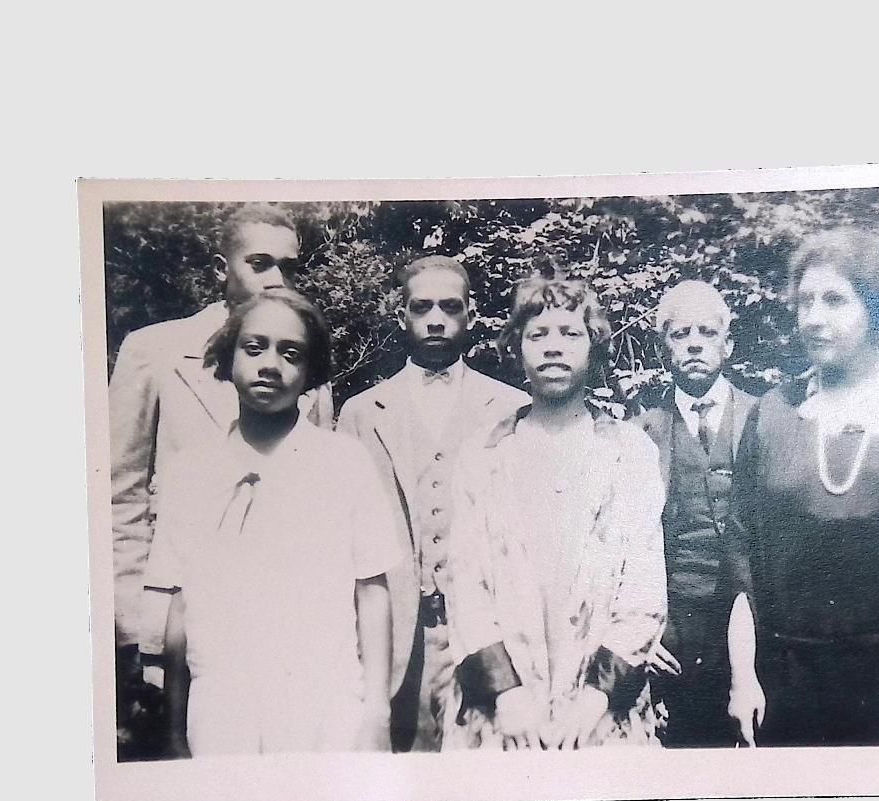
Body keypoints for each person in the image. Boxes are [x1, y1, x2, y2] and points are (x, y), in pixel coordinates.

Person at [109, 204, 334, 753]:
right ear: (221, 267)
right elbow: (119, 494)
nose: (276, 279)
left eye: (288, 266)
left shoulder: (307, 375)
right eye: (259, 263)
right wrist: (134, 626)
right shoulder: (154, 351)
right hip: (176, 617)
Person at [726, 227, 879, 746]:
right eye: (805, 301)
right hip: (795, 684)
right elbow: (742, 565)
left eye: (834, 300)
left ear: (874, 306)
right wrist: (743, 678)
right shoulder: (773, 416)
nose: (813, 317)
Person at [146, 290, 398, 756]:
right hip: (221, 709)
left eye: (291, 353)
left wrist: (376, 712)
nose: (270, 365)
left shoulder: (343, 462)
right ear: (229, 357)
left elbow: (372, 591)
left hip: (325, 705)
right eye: (254, 347)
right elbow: (179, 605)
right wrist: (175, 729)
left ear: (309, 372)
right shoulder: (191, 471)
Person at [443, 271, 667, 750]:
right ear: (517, 346)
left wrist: (595, 701)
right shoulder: (482, 455)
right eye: (537, 334)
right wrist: (507, 696)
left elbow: (644, 591)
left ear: (594, 345)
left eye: (570, 334)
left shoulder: (629, 453)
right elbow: (465, 585)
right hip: (502, 717)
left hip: (600, 717)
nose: (553, 347)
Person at [337, 255, 529, 751]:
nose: (436, 319)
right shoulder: (361, 413)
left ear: (470, 313)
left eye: (450, 306)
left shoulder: (509, 408)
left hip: (489, 637)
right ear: (402, 315)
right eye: (422, 307)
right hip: (399, 635)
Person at [631, 280, 758, 748]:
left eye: (706, 331)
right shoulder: (640, 434)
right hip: (672, 639)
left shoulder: (767, 419)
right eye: (680, 334)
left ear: (728, 343)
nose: (694, 343)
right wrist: (642, 633)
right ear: (664, 347)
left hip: (756, 627)